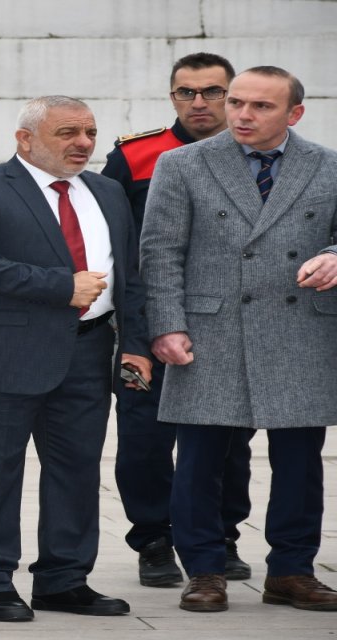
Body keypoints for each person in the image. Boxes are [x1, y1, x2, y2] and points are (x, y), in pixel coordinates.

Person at [0, 96, 147, 622]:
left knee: (76, 471)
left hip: (90, 351)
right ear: (25, 139)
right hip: (4, 354)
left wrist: (138, 344)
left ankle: (64, 579)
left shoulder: (107, 192)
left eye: (91, 133)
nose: (83, 143)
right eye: (68, 132)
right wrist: (62, 286)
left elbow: (132, 274)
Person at [140, 66, 337, 613]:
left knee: (300, 461)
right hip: (211, 330)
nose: (243, 115)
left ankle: (293, 571)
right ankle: (204, 570)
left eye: (262, 107)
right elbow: (159, 251)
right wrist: (167, 325)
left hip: (301, 331)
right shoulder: (182, 164)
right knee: (200, 459)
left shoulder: (328, 165)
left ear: (294, 113)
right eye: (238, 103)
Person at [102, 52, 254, 587]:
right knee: (144, 440)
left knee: (229, 442)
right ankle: (153, 541)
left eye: (213, 91)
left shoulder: (256, 156)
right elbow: (112, 245)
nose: (199, 102)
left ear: (231, 95)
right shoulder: (136, 156)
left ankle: (220, 536)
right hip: (145, 325)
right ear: (172, 97)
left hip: (230, 327)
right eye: (186, 92)